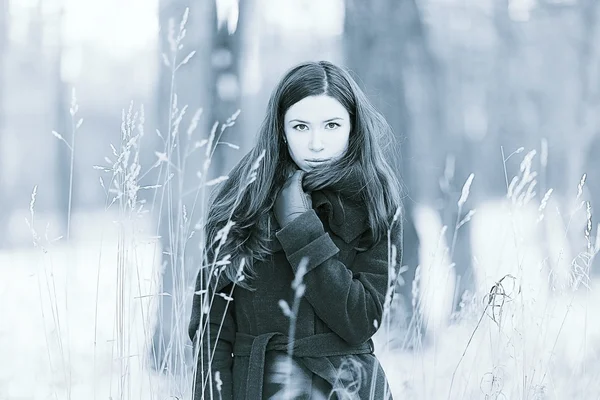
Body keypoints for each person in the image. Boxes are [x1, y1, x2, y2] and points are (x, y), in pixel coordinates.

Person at [188, 60, 404, 400]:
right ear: (281, 131)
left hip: (346, 388)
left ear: (353, 127)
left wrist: (302, 228)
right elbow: (211, 331)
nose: (316, 143)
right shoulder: (241, 199)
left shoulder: (374, 200)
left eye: (331, 125)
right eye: (301, 127)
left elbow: (362, 321)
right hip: (258, 387)